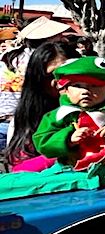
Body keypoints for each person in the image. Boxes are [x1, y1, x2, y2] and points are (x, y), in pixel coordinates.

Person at [33, 56, 105, 169]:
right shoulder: (58, 116)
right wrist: (68, 138)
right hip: (70, 170)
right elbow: (42, 140)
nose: (85, 91)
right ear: (66, 89)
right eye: (77, 86)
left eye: (94, 85)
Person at [3, 42, 80, 171]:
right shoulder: (28, 118)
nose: (60, 82)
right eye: (51, 76)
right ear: (38, 80)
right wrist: (66, 149)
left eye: (66, 73)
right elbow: (20, 168)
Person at [0, 17, 71, 151]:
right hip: (28, 124)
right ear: (49, 39)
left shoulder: (7, 56)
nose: (62, 39)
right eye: (58, 36)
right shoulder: (43, 62)